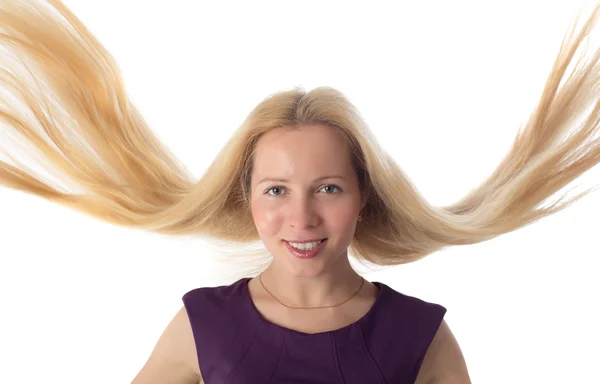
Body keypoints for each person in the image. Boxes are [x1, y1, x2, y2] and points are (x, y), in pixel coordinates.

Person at [1, 1, 600, 383]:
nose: (301, 217)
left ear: (365, 194)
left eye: (329, 188)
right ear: (247, 197)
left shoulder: (421, 338)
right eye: (276, 190)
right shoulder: (201, 323)